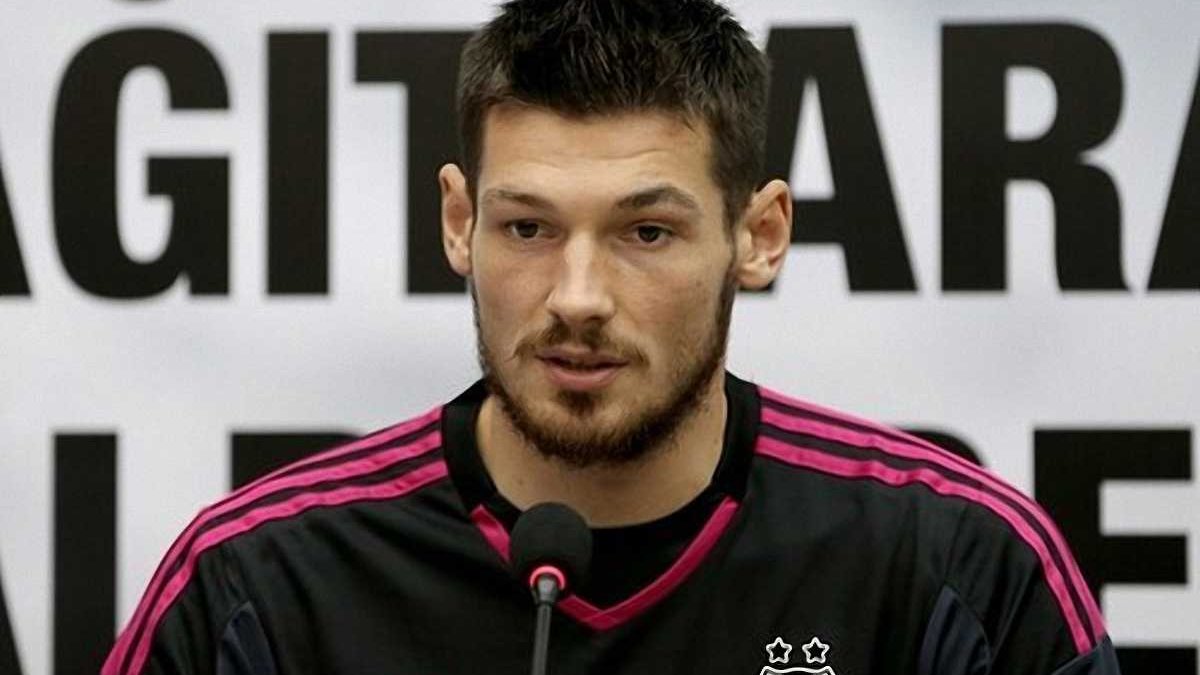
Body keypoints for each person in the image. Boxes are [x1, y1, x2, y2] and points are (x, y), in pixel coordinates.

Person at [103, 1, 1121, 673]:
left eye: (646, 233)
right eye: (528, 229)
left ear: (759, 236)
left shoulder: (958, 562)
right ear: (459, 222)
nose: (578, 297)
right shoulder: (256, 581)